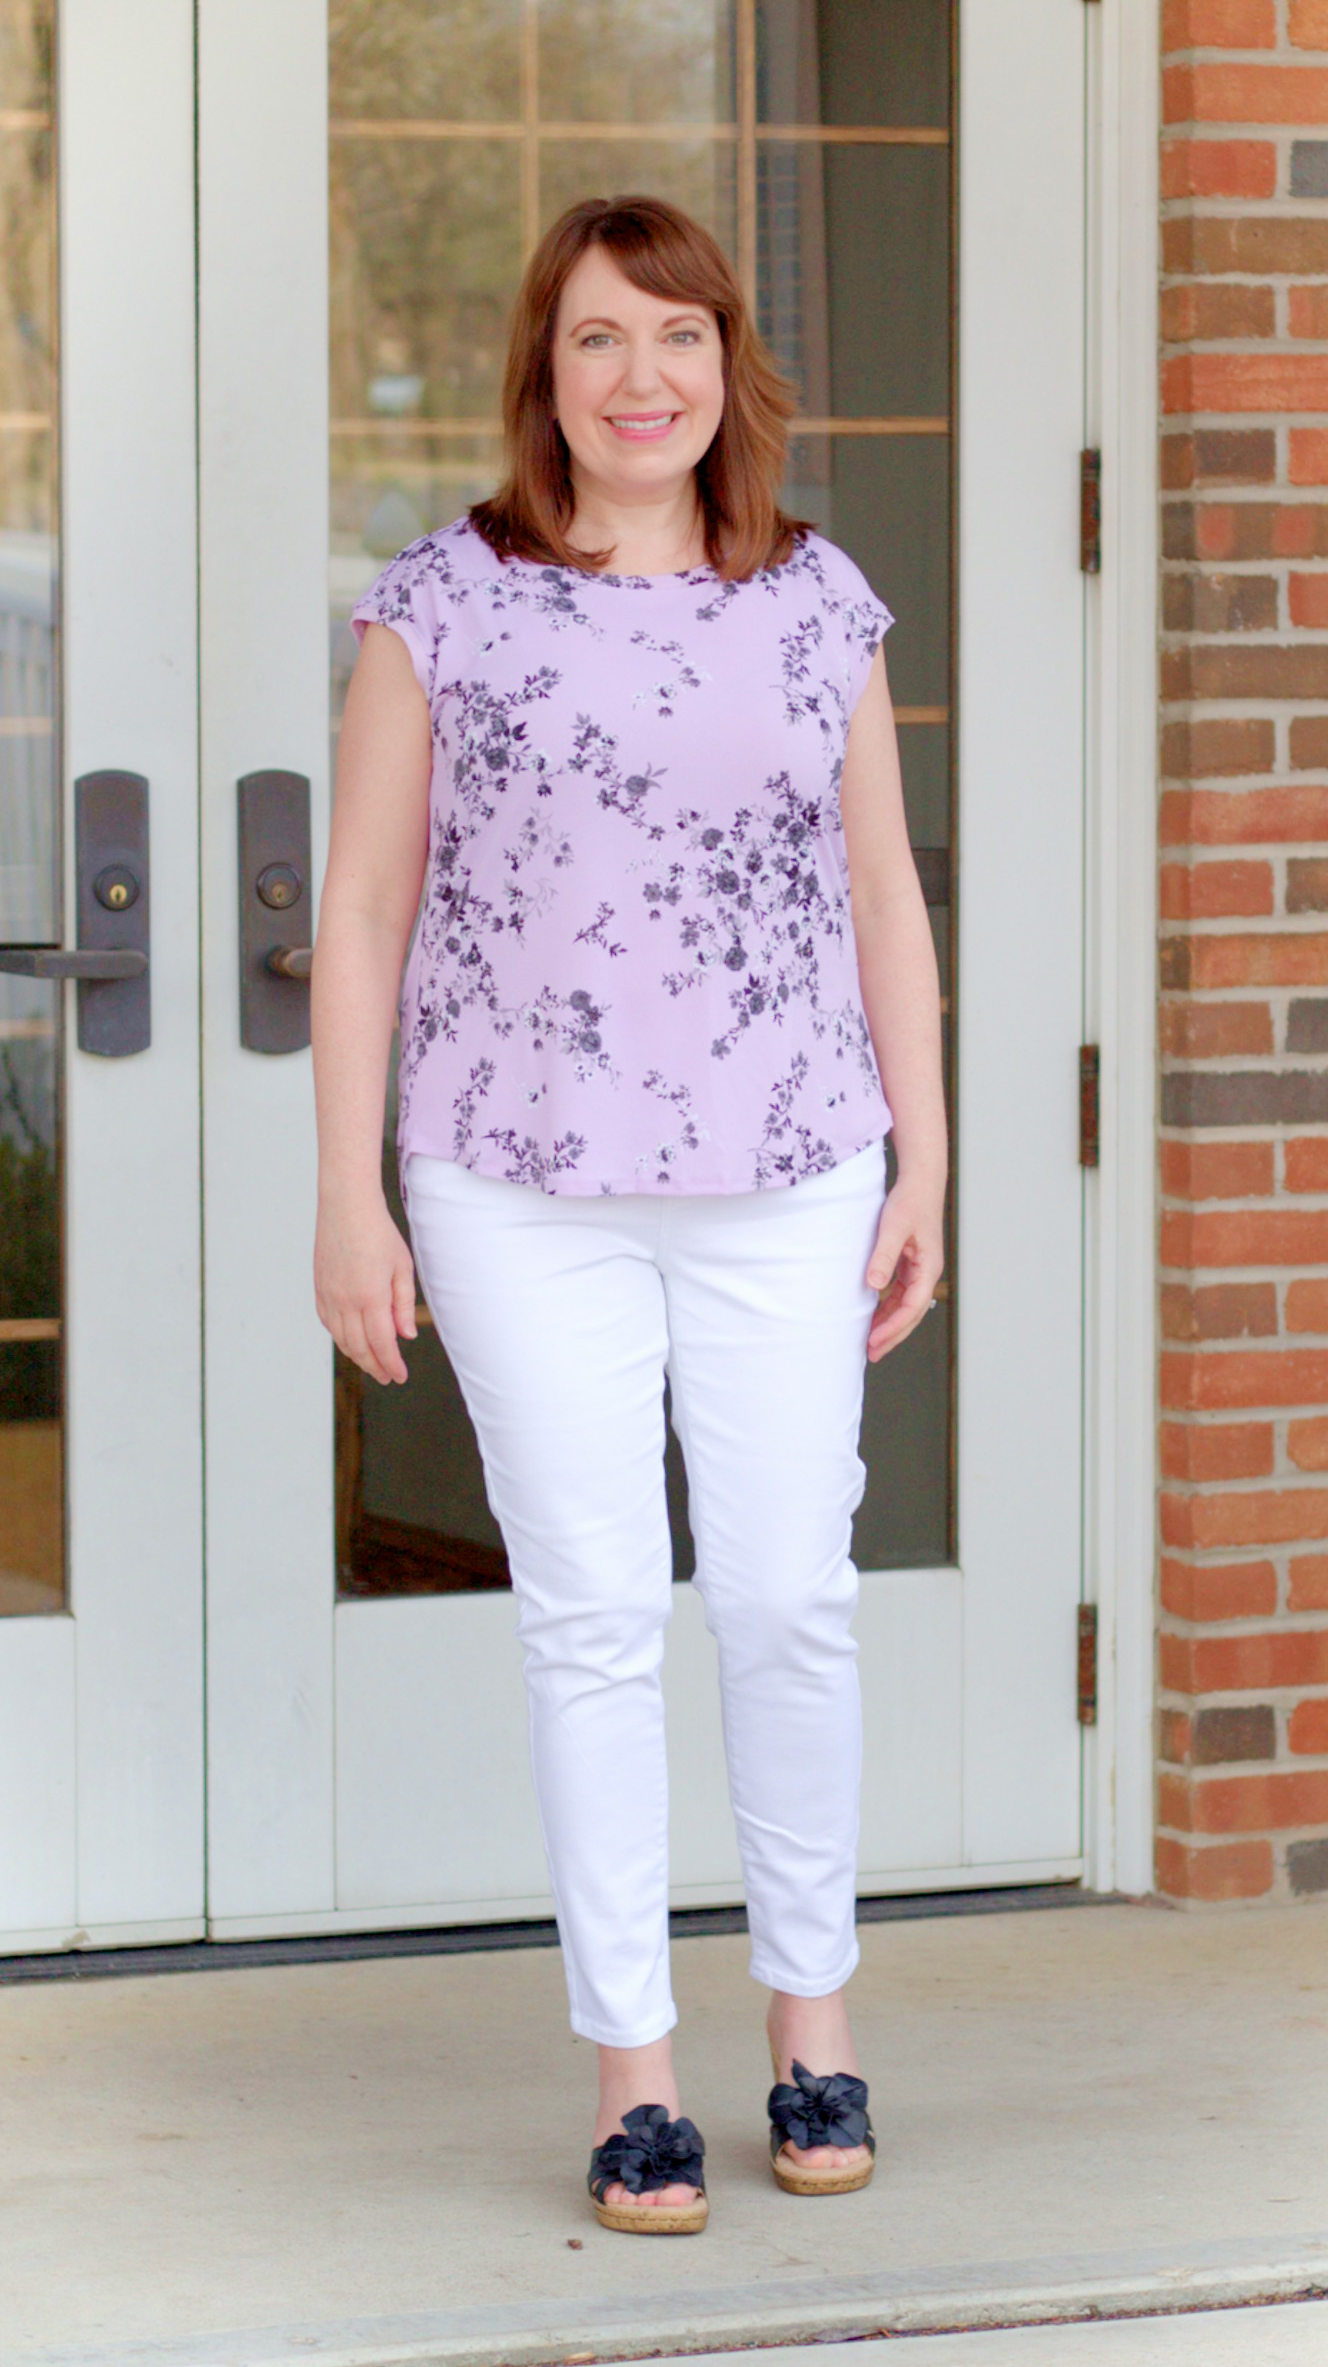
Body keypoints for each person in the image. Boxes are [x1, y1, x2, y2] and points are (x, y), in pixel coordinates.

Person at [311, 194, 946, 2236]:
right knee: (592, 1623)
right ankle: (636, 2077)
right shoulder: (444, 602)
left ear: (727, 366)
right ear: (545, 373)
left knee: (783, 1601)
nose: (642, 378)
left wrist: (926, 1154)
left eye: (678, 337)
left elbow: (883, 900)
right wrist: (351, 1191)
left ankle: (813, 2030)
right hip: (519, 1186)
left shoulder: (816, 601)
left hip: (789, 1171)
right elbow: (368, 914)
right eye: (599, 340)